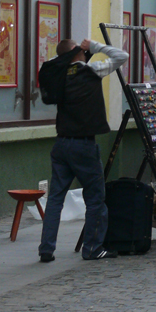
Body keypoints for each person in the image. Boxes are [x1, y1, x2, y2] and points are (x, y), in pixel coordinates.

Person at [39, 37, 128, 262]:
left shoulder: (58, 75)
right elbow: (121, 56)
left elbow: (55, 59)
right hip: (83, 145)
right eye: (80, 50)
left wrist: (68, 53)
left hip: (61, 144)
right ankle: (93, 248)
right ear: (77, 53)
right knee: (96, 197)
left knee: (55, 198)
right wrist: (95, 47)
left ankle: (46, 249)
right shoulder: (91, 71)